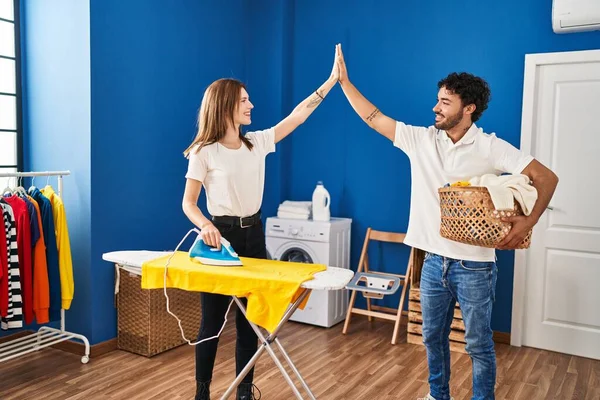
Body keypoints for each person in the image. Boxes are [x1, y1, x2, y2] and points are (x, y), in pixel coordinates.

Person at [334, 44, 558, 400]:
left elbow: (547, 178)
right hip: (432, 261)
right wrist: (343, 82)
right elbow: (373, 117)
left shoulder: (490, 147)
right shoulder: (421, 140)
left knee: (479, 345)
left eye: (445, 102)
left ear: (468, 109)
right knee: (432, 338)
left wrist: (527, 222)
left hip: (475, 266)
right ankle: (438, 395)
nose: (435, 108)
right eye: (437, 100)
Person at [182, 48, 339, 400]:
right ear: (225, 107)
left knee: (249, 322)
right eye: (244, 101)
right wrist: (205, 225)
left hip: (254, 235)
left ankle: (243, 392)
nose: (251, 105)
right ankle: (202, 393)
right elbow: (188, 203)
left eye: (249, 99)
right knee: (212, 324)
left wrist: (330, 82)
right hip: (219, 240)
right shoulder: (203, 152)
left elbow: (298, 116)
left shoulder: (258, 142)